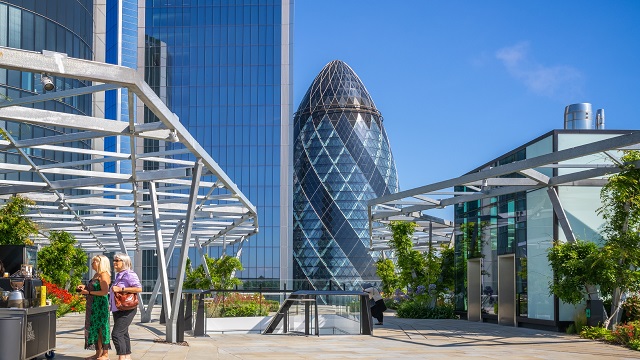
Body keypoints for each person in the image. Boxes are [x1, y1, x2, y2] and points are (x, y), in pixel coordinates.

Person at [77, 255, 112, 360]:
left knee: (102, 328)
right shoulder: (96, 274)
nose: (92, 264)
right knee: (94, 328)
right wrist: (84, 287)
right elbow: (94, 287)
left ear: (101, 263)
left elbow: (104, 292)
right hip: (92, 305)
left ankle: (105, 354)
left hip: (100, 305)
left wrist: (88, 292)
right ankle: (98, 353)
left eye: (94, 262)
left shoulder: (104, 275)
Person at [110, 253, 142, 360]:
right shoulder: (119, 275)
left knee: (116, 334)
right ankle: (127, 357)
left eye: (117, 260)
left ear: (124, 262)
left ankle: (122, 357)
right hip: (118, 309)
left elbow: (139, 289)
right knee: (123, 333)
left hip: (127, 309)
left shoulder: (129, 274)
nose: (114, 262)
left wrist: (121, 289)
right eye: (114, 260)